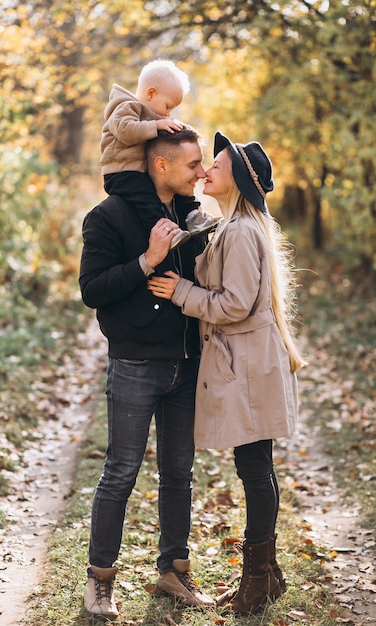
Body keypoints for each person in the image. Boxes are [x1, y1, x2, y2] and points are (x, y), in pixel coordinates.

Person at [148, 131, 307, 615]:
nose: (205, 172)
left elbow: (234, 304)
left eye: (215, 166)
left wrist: (181, 294)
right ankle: (267, 574)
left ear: (236, 178)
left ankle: (257, 581)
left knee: (255, 468)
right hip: (250, 360)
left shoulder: (240, 232)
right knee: (257, 465)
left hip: (249, 362)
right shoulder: (235, 227)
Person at [79, 126, 215, 621]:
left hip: (186, 364)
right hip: (135, 364)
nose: (200, 172)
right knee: (121, 472)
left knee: (180, 473)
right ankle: (99, 583)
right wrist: (147, 260)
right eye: (192, 164)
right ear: (161, 165)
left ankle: (173, 573)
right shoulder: (108, 216)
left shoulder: (193, 216)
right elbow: (92, 289)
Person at [101, 59, 220, 250]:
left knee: (178, 184)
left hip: (138, 170)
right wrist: (156, 125)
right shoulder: (125, 106)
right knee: (146, 198)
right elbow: (125, 130)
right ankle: (165, 232)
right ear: (151, 93)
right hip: (121, 172)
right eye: (168, 106)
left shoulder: (149, 115)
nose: (167, 114)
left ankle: (193, 217)